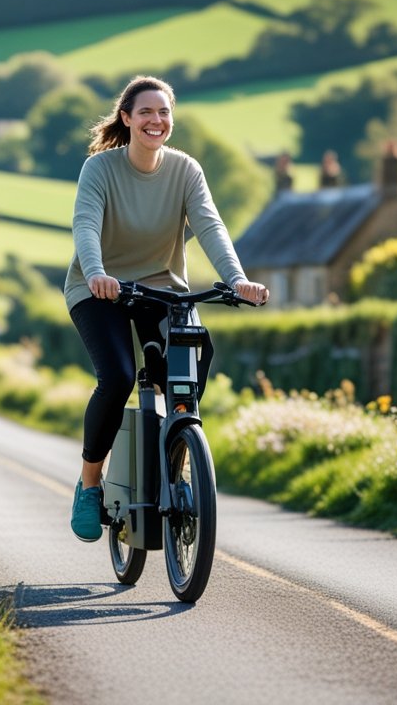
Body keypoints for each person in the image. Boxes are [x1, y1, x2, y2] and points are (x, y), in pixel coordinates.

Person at [63, 75, 269, 542]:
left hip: (160, 289)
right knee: (116, 377)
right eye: (146, 113)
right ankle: (90, 484)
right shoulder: (100, 170)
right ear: (127, 119)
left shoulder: (186, 170)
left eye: (164, 113)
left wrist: (237, 279)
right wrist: (96, 272)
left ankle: (175, 457)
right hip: (101, 290)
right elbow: (86, 225)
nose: (156, 121)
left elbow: (211, 226)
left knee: (185, 371)